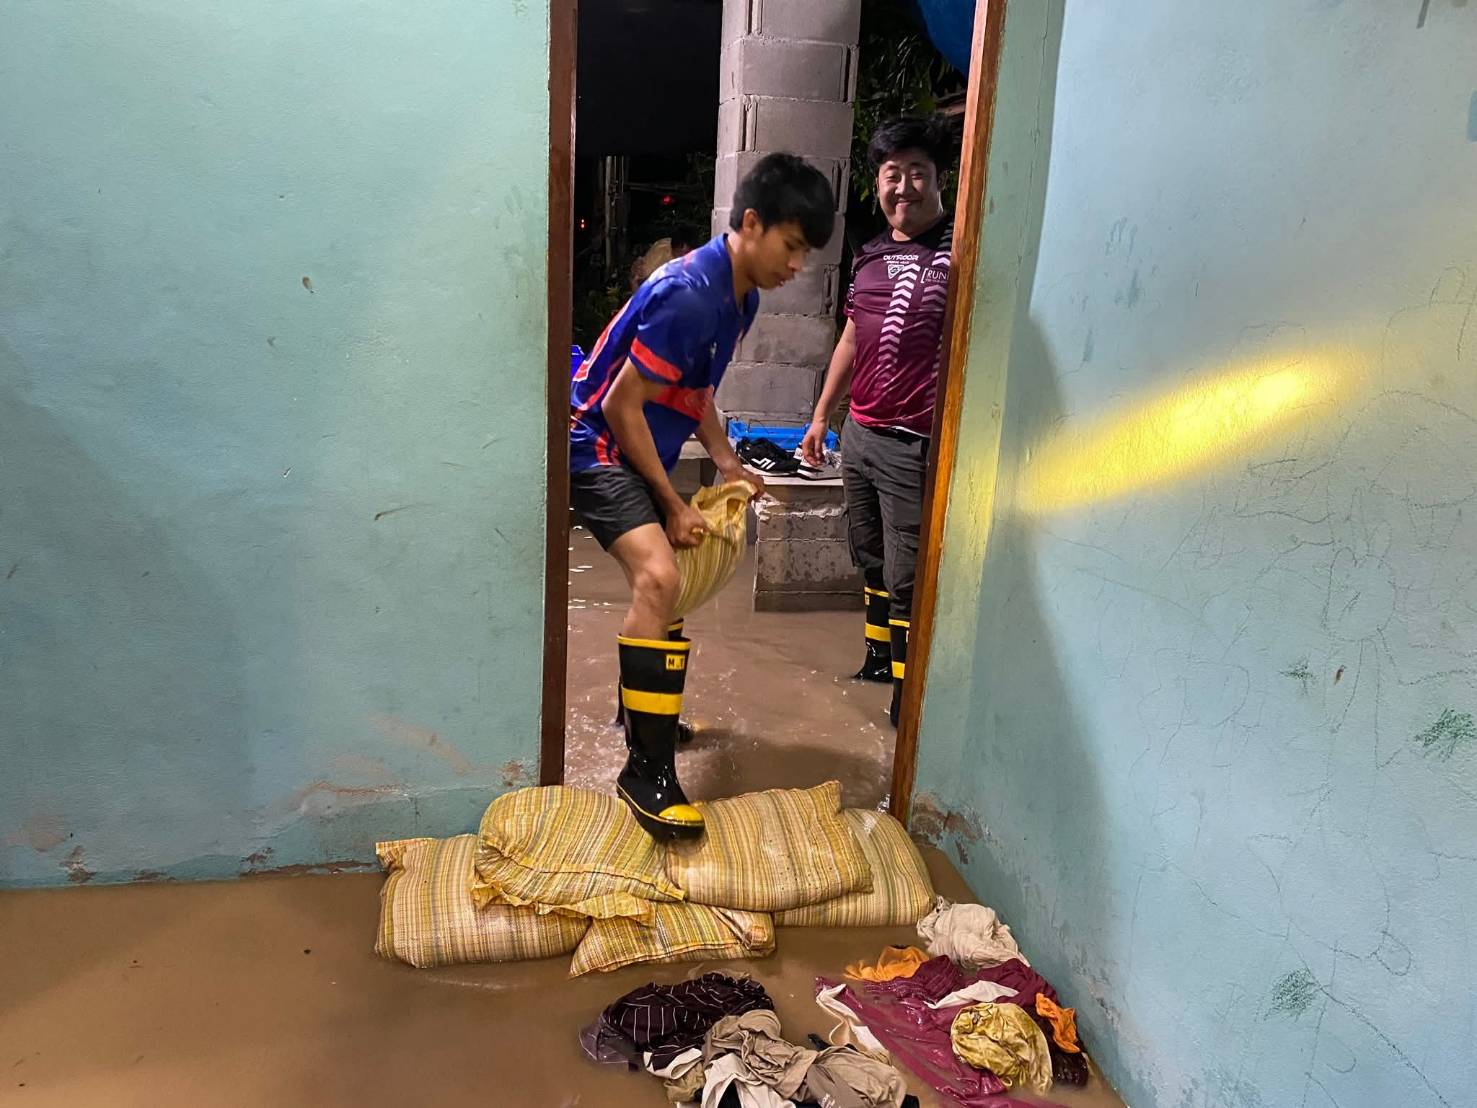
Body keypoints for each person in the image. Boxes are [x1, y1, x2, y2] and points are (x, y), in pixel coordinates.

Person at [570, 154, 836, 840]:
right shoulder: (690, 295)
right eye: (790, 246)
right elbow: (623, 405)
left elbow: (693, 392)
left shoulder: (739, 297)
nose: (796, 266)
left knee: (676, 578)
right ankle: (644, 773)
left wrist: (726, 462)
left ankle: (640, 714)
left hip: (636, 440)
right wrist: (673, 503)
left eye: (805, 254)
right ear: (750, 223)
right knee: (660, 575)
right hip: (595, 441)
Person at [800, 116, 954, 728]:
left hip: (914, 443)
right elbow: (852, 337)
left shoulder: (960, 251)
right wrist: (821, 417)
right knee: (868, 554)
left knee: (906, 575)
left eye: (918, 172)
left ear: (939, 180)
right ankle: (875, 660)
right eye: (893, 173)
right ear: (878, 183)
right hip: (860, 434)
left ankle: (904, 700)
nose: (904, 186)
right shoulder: (868, 256)